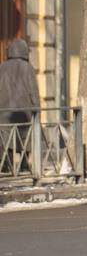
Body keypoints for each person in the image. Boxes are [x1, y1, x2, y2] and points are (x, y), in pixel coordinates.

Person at [0, 38, 39, 174]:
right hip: (24, 112)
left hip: (4, 113)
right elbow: (33, 91)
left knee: (6, 139)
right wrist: (37, 109)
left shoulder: (2, 67)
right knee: (24, 139)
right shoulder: (28, 68)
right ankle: (23, 165)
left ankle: (6, 165)